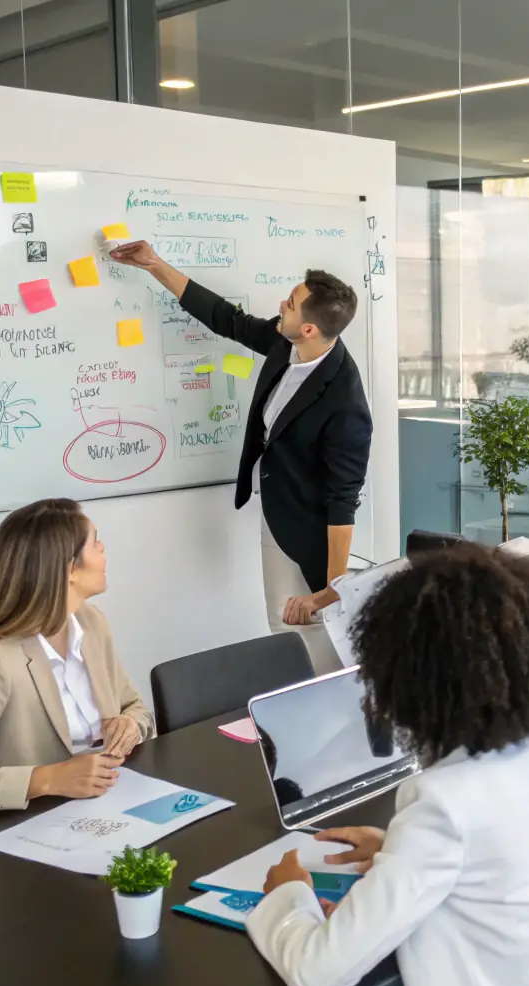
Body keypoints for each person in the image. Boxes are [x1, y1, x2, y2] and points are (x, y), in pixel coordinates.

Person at [245, 544, 529, 986]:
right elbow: (506, 854)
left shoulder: (445, 803)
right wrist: (400, 851)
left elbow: (314, 973)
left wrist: (288, 896)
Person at [111, 241, 371, 674]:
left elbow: (344, 501)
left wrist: (331, 588)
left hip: (312, 528)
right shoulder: (285, 344)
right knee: (281, 623)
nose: (281, 306)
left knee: (317, 624)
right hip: (277, 507)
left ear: (309, 329)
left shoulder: (344, 402)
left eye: (290, 304)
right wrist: (156, 266)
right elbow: (226, 319)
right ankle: (298, 707)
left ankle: (335, 707)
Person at [0, 499, 154, 817]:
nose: (104, 548)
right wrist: (45, 779)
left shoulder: (91, 623)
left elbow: (136, 708)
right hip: (26, 825)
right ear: (69, 569)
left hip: (103, 806)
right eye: (95, 541)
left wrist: (130, 725)